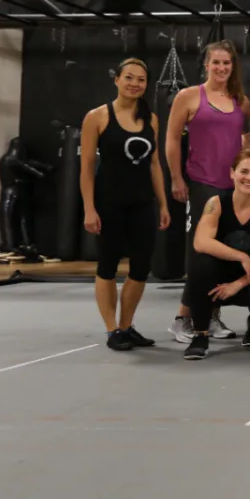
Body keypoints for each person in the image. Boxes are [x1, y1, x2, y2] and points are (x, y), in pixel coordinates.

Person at [80, 58, 171, 351]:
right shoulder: (97, 117)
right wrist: (89, 208)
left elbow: (155, 164)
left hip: (142, 202)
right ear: (116, 79)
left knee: (141, 267)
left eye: (141, 80)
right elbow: (86, 168)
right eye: (129, 78)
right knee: (107, 266)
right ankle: (111, 330)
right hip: (109, 203)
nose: (135, 84)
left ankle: (126, 326)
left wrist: (163, 204)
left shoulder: (151, 119)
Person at [167, 40, 250, 344]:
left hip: (232, 188)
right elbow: (173, 139)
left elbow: (246, 144)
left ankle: (210, 315)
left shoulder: (240, 101)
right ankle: (183, 319)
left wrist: (247, 180)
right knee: (200, 253)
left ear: (233, 66)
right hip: (203, 185)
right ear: (206, 64)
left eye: (226, 63)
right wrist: (177, 179)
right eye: (215, 62)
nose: (221, 68)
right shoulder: (189, 96)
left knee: (221, 254)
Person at [182, 149, 250, 360]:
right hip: (218, 279)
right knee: (199, 265)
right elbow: (200, 242)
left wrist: (238, 284)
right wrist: (241, 256)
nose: (249, 178)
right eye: (244, 171)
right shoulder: (216, 204)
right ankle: (200, 335)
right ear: (232, 173)